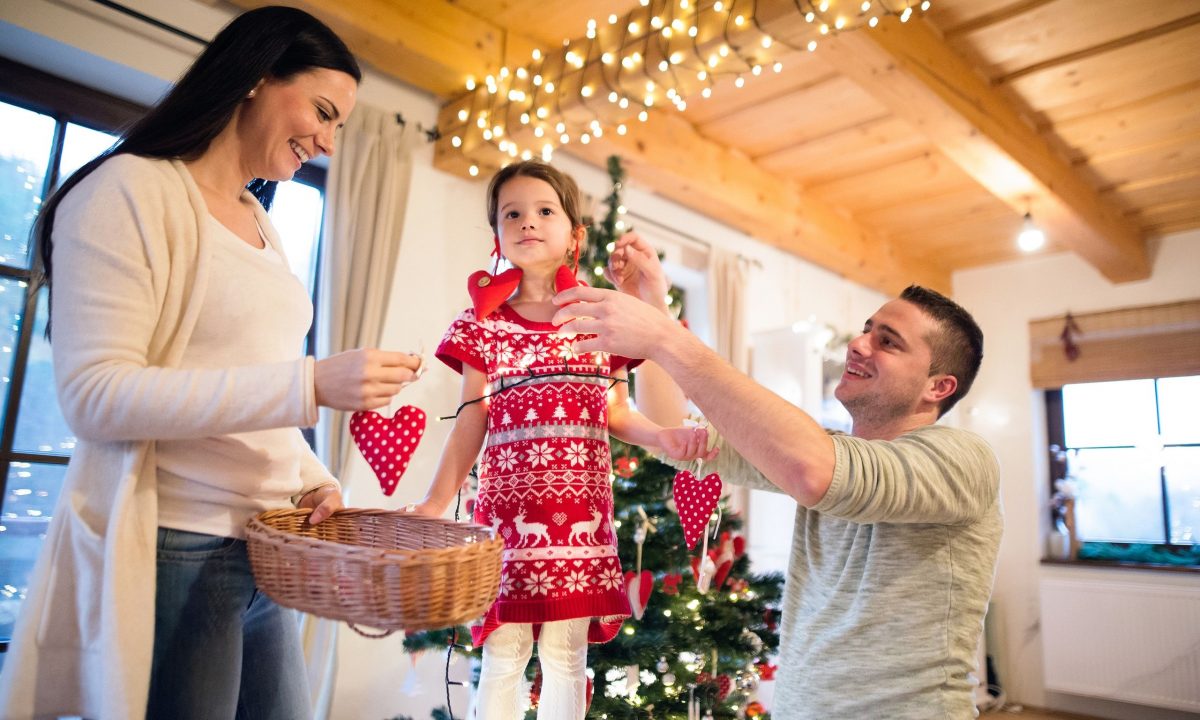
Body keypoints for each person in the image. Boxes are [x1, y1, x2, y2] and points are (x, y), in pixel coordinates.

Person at [0, 7, 423, 720]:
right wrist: (313, 384)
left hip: (268, 544)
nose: (325, 140)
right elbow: (94, 395)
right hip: (181, 546)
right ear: (257, 77)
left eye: (339, 126)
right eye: (321, 111)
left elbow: (251, 382)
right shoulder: (128, 191)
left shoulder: (259, 220)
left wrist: (311, 475)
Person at [552, 233, 1002, 719]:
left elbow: (815, 473)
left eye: (887, 342)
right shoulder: (829, 450)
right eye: (867, 329)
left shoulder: (962, 458)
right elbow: (674, 435)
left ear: (939, 387)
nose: (858, 344)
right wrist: (655, 308)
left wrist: (666, 338)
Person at [409, 161, 713, 719]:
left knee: (565, 656)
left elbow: (616, 410)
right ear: (498, 234)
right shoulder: (482, 323)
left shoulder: (602, 318)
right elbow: (472, 419)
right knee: (504, 653)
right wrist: (434, 500)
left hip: (581, 519)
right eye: (513, 214)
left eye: (545, 211)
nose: (529, 222)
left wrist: (664, 437)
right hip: (503, 520)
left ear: (576, 233)